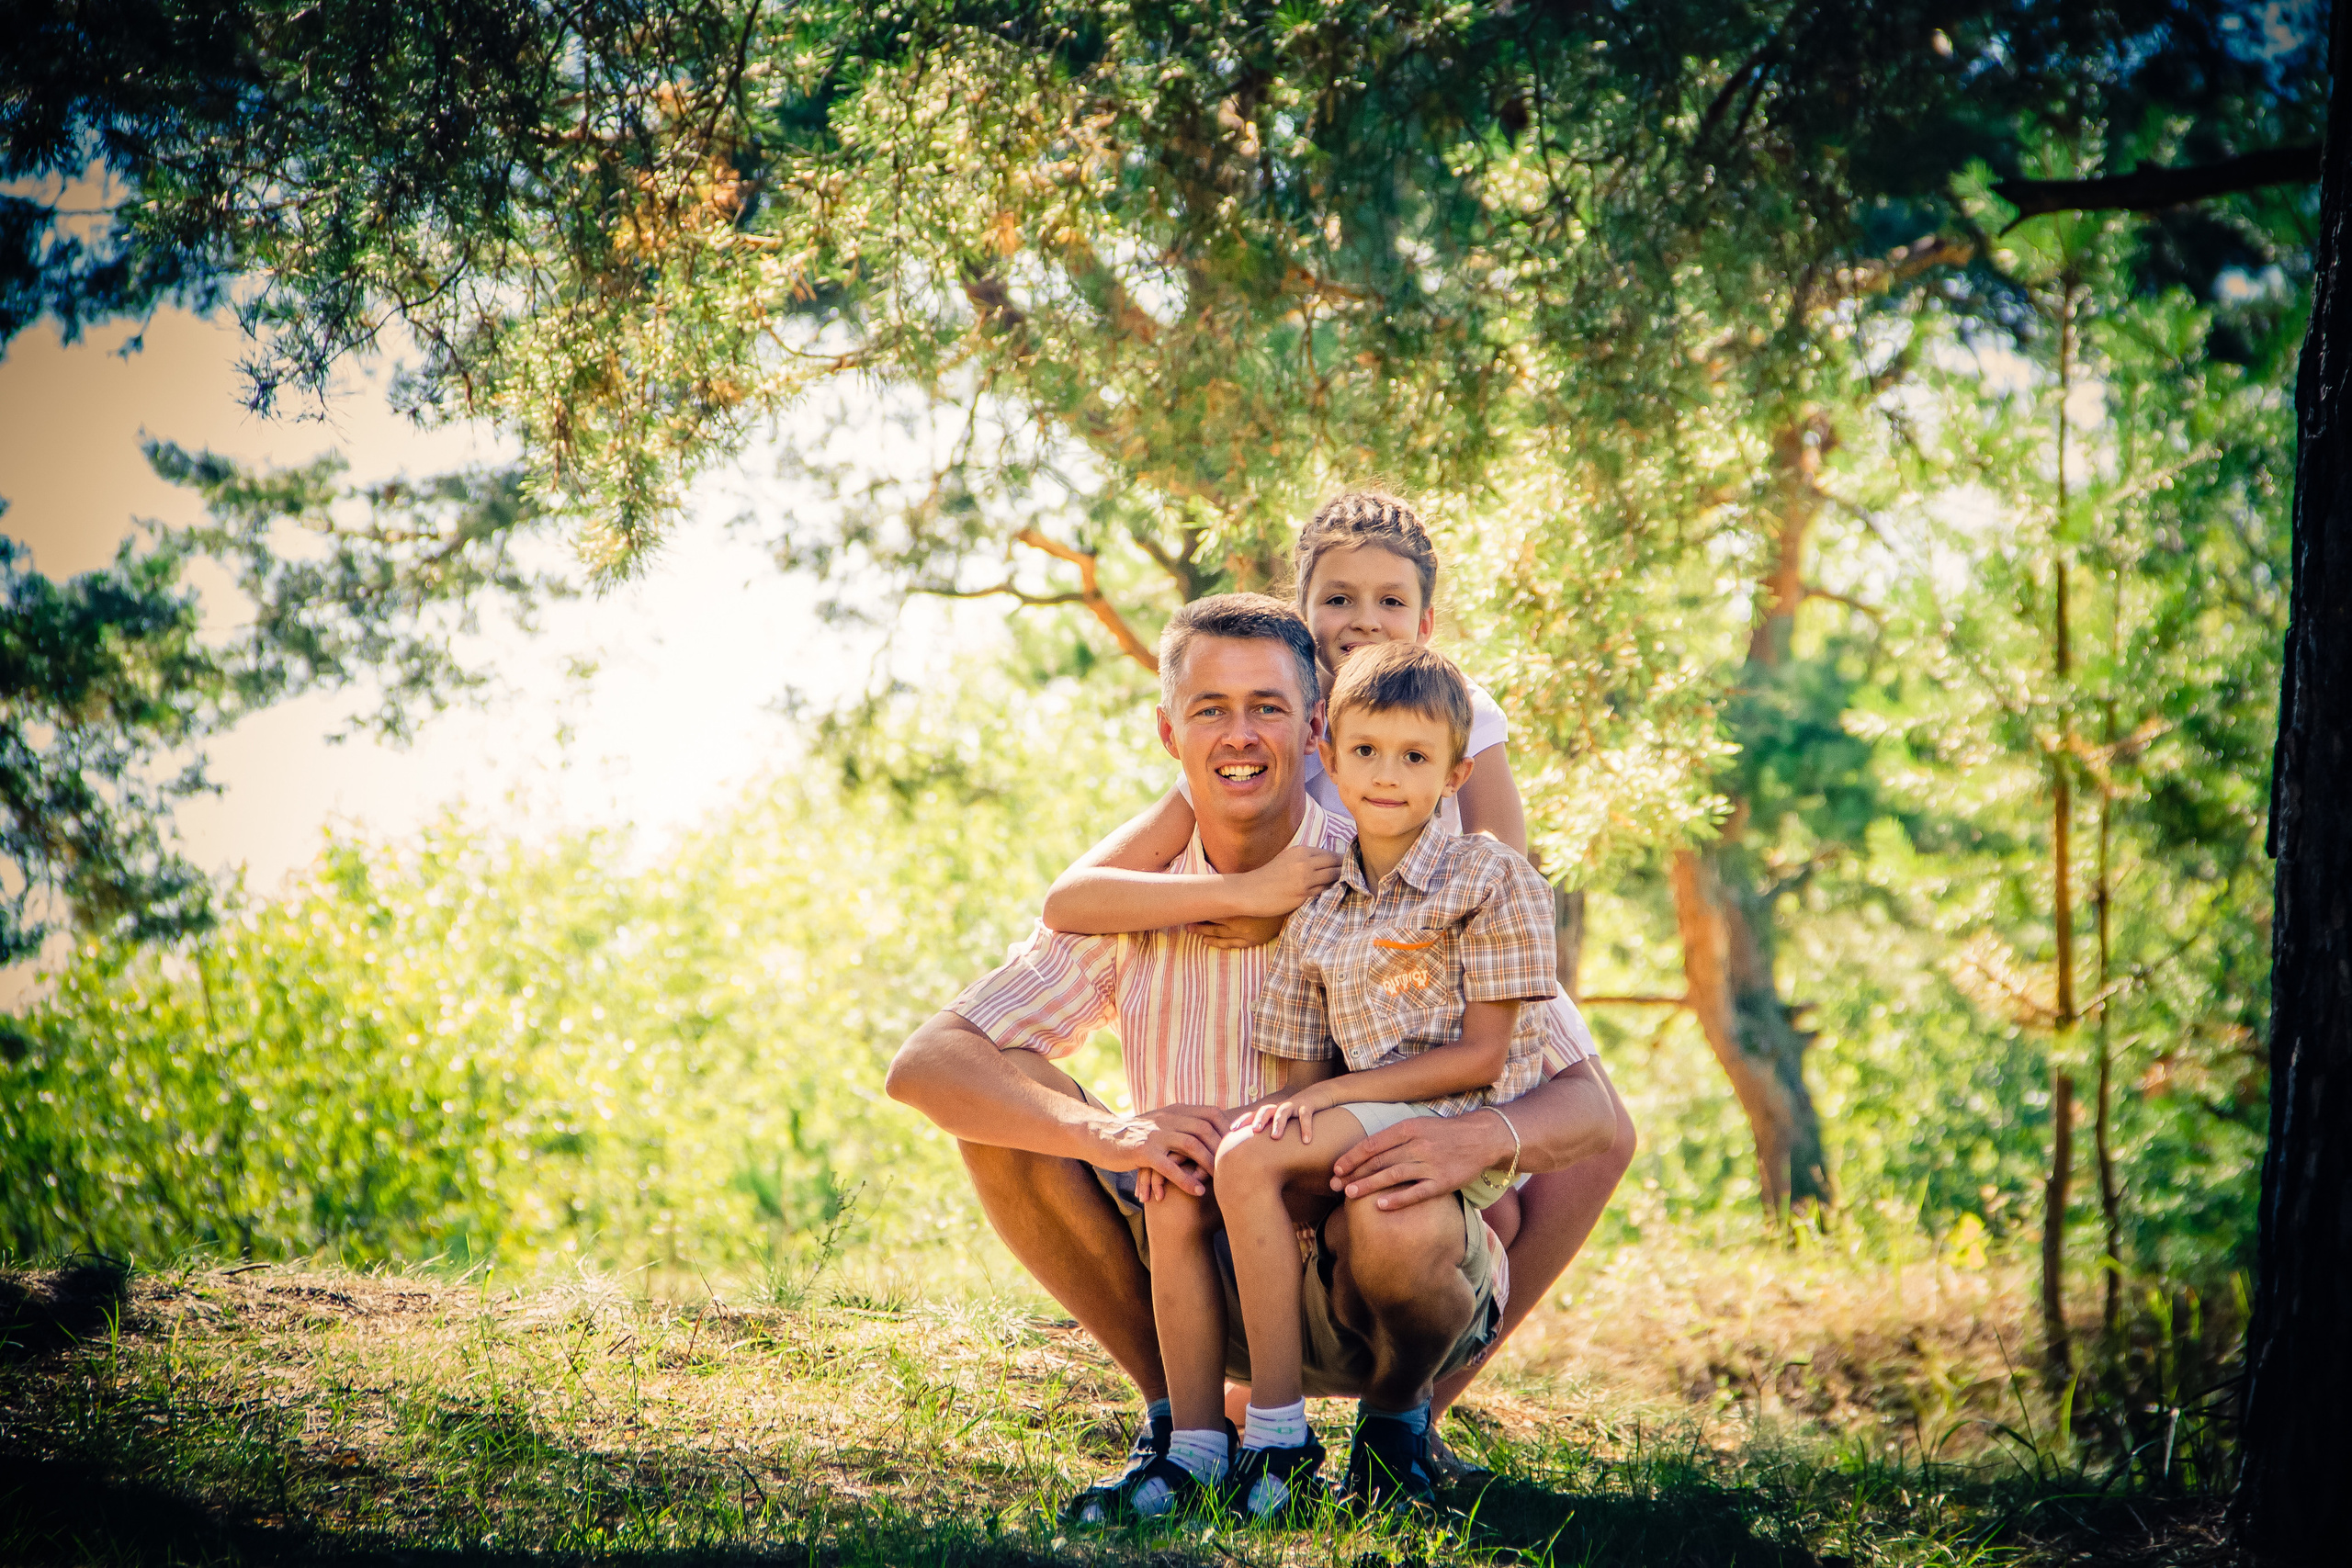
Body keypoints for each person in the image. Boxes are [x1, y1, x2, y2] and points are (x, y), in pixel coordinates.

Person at [885, 593, 1622, 1525]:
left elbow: (1592, 1120)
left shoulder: (1404, 875)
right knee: (1004, 1105)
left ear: (1313, 731)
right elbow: (926, 1063)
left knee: (1395, 1199)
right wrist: (1113, 1134)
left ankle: (1399, 1428)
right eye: (1210, 709)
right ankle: (1182, 1434)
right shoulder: (1134, 899)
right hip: (1188, 1262)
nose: (1240, 735)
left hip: (1369, 1279)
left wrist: (1469, 1140)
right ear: (1170, 733)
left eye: (1267, 707)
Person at [1037, 491, 1637, 1476]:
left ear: (1426, 622)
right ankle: (1239, 1417)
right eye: (1338, 599)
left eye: (1389, 601)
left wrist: (1423, 939)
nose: (1362, 620)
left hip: (1444, 964)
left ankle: (1409, 1419)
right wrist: (1244, 897)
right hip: (1327, 970)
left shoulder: (1452, 708)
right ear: (1302, 609)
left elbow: (1500, 855)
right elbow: (1074, 897)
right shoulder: (1277, 721)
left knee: (1522, 1175)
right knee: (1302, 1171)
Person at [1146, 642, 1563, 1519]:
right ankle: (1202, 1442)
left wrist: (1326, 1100)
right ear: (1327, 756)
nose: (1386, 775)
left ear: (1454, 775)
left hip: (1455, 1116)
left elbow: (1484, 1057)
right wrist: (1210, 1130)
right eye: (1366, 751)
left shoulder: (1489, 877)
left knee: (1250, 1158)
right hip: (1363, 1118)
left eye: (1414, 756)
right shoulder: (1321, 911)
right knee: (1216, 1161)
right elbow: (1297, 1081)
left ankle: (1278, 1437)